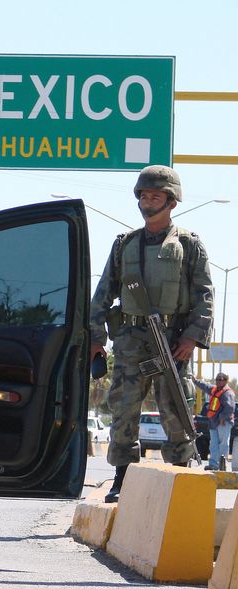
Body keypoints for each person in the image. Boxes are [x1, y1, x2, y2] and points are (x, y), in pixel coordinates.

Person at [89, 164, 214, 503]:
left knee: (176, 407)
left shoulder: (188, 245)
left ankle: (181, 475)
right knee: (124, 408)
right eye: (144, 195)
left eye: (155, 195)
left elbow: (204, 294)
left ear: (172, 201)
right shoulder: (125, 244)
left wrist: (191, 337)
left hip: (173, 342)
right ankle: (122, 477)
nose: (147, 201)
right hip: (130, 341)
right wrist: (96, 339)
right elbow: (103, 292)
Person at [193, 373, 235, 470]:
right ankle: (213, 465)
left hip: (223, 423)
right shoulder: (214, 389)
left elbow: (230, 408)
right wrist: (195, 381)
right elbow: (205, 386)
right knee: (213, 444)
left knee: (223, 444)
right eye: (217, 379)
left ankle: (222, 465)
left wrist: (222, 418)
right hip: (213, 423)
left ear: (226, 381)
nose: (219, 381)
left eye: (222, 379)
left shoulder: (228, 393)